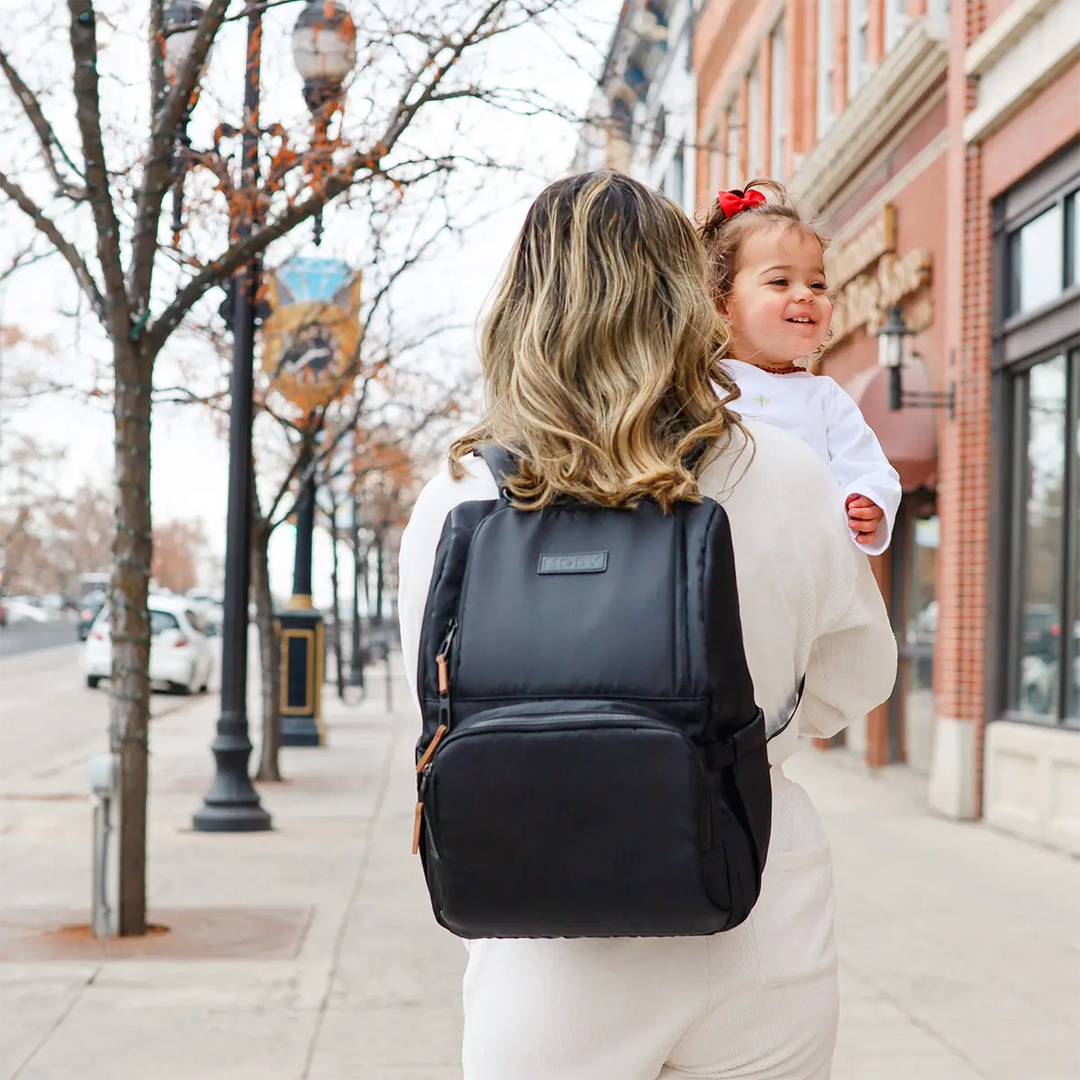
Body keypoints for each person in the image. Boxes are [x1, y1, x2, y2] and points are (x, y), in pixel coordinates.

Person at [398, 171, 896, 1080]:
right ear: (687, 303)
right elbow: (859, 676)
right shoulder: (784, 471)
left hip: (542, 928)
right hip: (755, 898)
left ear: (522, 307)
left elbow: (430, 694)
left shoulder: (462, 493)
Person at [699, 181, 902, 555]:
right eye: (780, 281)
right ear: (723, 302)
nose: (806, 294)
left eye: (817, 284)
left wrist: (868, 498)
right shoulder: (701, 389)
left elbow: (867, 464)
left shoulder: (824, 398)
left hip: (807, 564)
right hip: (725, 561)